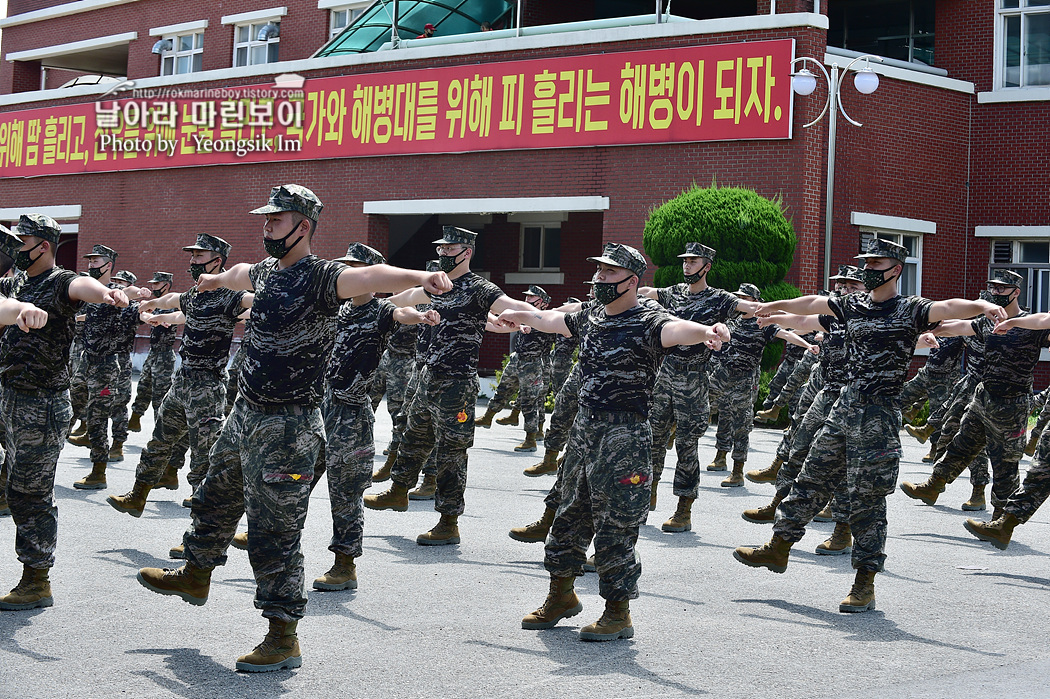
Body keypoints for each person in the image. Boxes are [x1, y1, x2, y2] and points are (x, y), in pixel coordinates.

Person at [136, 184, 451, 673]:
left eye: (276, 221)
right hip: (246, 413)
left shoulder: (322, 277)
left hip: (290, 426)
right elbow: (242, 271)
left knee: (274, 532)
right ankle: (196, 575)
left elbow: (370, 274)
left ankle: (282, 634)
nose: (266, 228)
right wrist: (216, 280)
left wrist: (423, 276)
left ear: (303, 226)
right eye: (265, 220)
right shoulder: (264, 271)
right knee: (214, 495)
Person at [732, 237, 1005, 614]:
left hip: (878, 414)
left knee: (868, 499)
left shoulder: (911, 309)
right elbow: (811, 305)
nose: (868, 270)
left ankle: (864, 583)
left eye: (876, 264)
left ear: (896, 269)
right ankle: (778, 548)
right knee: (811, 478)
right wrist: (772, 308)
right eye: (866, 263)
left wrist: (985, 305)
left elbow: (948, 307)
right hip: (845, 404)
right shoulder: (853, 305)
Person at [496, 243, 729, 641]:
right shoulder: (591, 316)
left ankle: (617, 614)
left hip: (625, 435)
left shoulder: (649, 319)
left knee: (616, 524)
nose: (599, 279)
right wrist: (513, 315)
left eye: (608, 273)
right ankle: (561, 597)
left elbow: (676, 330)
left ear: (631, 281)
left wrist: (708, 331)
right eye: (599, 271)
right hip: (585, 431)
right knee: (568, 515)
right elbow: (546, 318)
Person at [364, 225, 540, 546]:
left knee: (451, 453)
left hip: (457, 384)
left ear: (466, 252)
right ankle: (399, 491)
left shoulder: (479, 289)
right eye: (441, 249)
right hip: (427, 376)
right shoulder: (436, 286)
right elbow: (400, 300)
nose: (443, 254)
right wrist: (370, 307)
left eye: (449, 249)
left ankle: (448, 522)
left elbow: (513, 306)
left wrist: (550, 319)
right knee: (414, 436)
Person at [0, 213, 130, 611]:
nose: (14, 249)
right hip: (6, 395)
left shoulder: (60, 281)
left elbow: (83, 284)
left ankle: (37, 578)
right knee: (15, 484)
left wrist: (106, 293)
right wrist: (19, 307)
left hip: (41, 403)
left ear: (43, 246)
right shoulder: (14, 282)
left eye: (22, 242)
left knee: (31, 493)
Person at [313, 242, 440, 592]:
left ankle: (344, 564)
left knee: (345, 493)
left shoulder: (382, 310)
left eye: (358, 270)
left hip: (351, 416)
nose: (350, 276)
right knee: (292, 480)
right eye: (347, 269)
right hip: (318, 408)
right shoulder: (336, 311)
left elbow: (404, 314)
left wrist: (421, 316)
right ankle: (275, 538)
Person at [106, 234, 252, 518]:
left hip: (208, 386)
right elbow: (177, 302)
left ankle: (201, 528)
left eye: (198, 256)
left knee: (204, 456)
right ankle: (138, 496)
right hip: (182, 381)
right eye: (192, 256)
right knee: (159, 440)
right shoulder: (196, 295)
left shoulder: (230, 297)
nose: (192, 261)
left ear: (217, 261)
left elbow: (254, 301)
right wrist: (155, 307)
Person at [900, 270, 1049, 516]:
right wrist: (931, 332)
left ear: (1016, 292)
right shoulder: (987, 323)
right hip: (983, 399)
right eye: (994, 288)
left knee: (1005, 464)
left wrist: (1015, 322)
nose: (996, 293)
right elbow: (958, 327)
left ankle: (1001, 518)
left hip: (1012, 405)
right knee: (960, 445)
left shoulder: (1031, 325)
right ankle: (932, 487)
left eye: (1002, 289)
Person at [637, 242, 745, 533]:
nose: (687, 265)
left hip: (693, 379)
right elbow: (645, 294)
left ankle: (683, 509)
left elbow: (743, 313)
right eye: (685, 261)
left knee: (686, 445)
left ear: (707, 266)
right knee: (653, 440)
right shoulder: (672, 293)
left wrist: (725, 332)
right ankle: (646, 496)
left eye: (694, 261)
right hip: (664, 375)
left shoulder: (719, 298)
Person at [704, 283, 816, 493]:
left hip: (745, 377)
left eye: (746, 298)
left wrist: (807, 345)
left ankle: (737, 471)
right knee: (702, 403)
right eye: (739, 298)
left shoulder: (763, 323)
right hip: (722, 371)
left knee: (740, 422)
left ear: (756, 302)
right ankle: (715, 453)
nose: (742, 302)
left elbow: (786, 335)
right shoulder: (732, 320)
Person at [68, 245, 144, 489]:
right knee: (71, 406)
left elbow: (129, 297)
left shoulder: (117, 293)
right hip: (85, 359)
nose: (91, 265)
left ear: (108, 265)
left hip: (106, 365)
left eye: (96, 261)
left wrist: (144, 309)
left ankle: (98, 471)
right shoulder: (87, 292)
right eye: (89, 261)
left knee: (98, 417)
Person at [476, 285, 554, 451]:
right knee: (502, 389)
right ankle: (488, 417)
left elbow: (550, 327)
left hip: (533, 363)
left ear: (542, 302)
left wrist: (532, 326)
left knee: (529, 401)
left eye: (531, 298)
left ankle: (531, 439)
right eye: (526, 297)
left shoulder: (545, 317)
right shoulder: (524, 316)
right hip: (517, 359)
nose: (527, 300)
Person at [129, 271, 177, 431]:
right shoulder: (155, 304)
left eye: (156, 284)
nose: (153, 287)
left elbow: (168, 319)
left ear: (166, 285)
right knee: (143, 386)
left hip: (164, 355)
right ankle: (135, 419)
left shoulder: (171, 304)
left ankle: (160, 430)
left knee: (160, 394)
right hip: (153, 352)